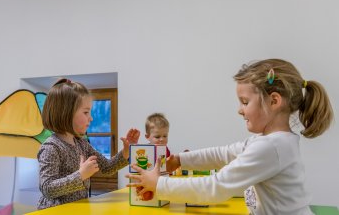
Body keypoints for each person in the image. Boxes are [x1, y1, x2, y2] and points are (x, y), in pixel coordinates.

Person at [127, 59, 334, 215]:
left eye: (245, 102)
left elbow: (216, 187)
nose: (240, 110)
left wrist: (159, 185)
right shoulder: (267, 141)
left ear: (273, 101)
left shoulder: (272, 146)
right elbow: (223, 153)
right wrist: (180, 159)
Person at [37, 78, 140, 210]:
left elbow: (107, 167)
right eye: (86, 112)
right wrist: (80, 175)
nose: (90, 118)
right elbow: (47, 188)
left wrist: (126, 150)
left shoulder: (82, 144)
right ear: (66, 113)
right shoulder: (51, 148)